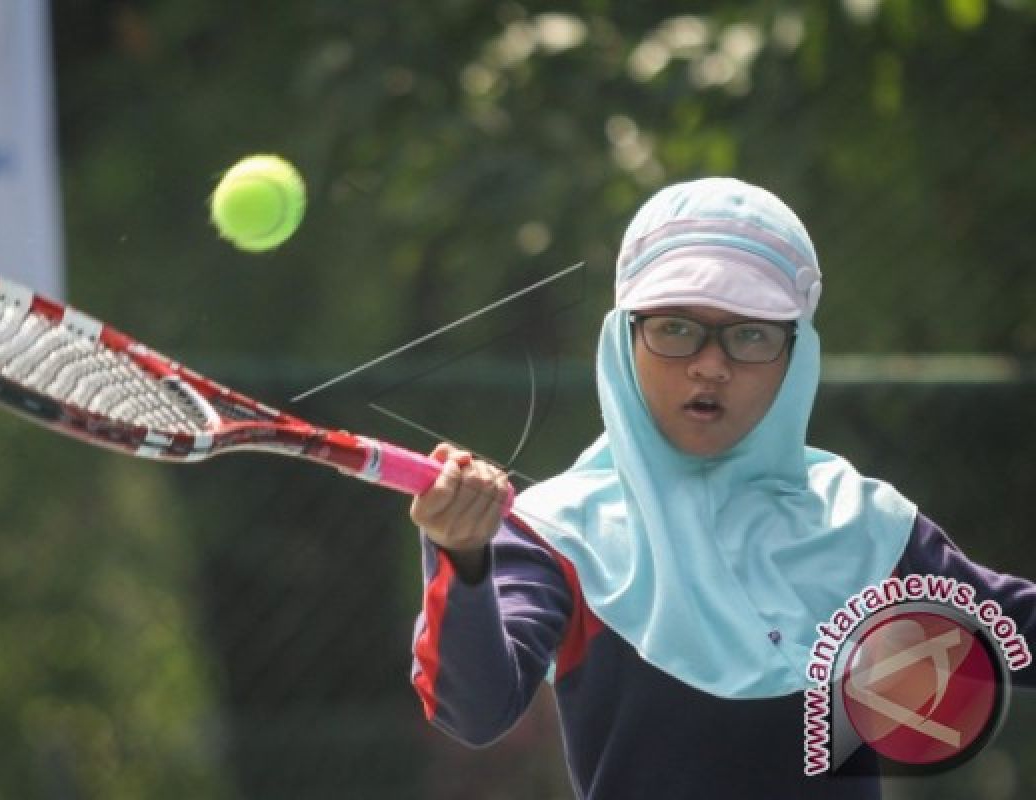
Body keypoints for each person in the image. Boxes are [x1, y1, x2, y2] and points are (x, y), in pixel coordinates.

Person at [407, 177, 1036, 799]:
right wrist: (462, 559)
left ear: (798, 356)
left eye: (751, 333)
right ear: (623, 339)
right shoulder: (556, 535)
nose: (711, 363)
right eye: (675, 327)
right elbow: (476, 712)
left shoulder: (868, 529)